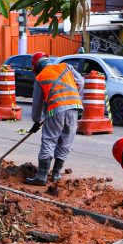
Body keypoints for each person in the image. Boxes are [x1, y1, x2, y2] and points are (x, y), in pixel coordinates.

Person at [26, 51, 83, 185]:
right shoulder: (66, 67)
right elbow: (80, 81)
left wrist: (36, 121)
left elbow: (37, 106)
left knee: (49, 140)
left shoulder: (40, 77)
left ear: (36, 68)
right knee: (66, 141)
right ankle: (56, 174)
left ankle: (41, 177)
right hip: (74, 107)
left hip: (56, 109)